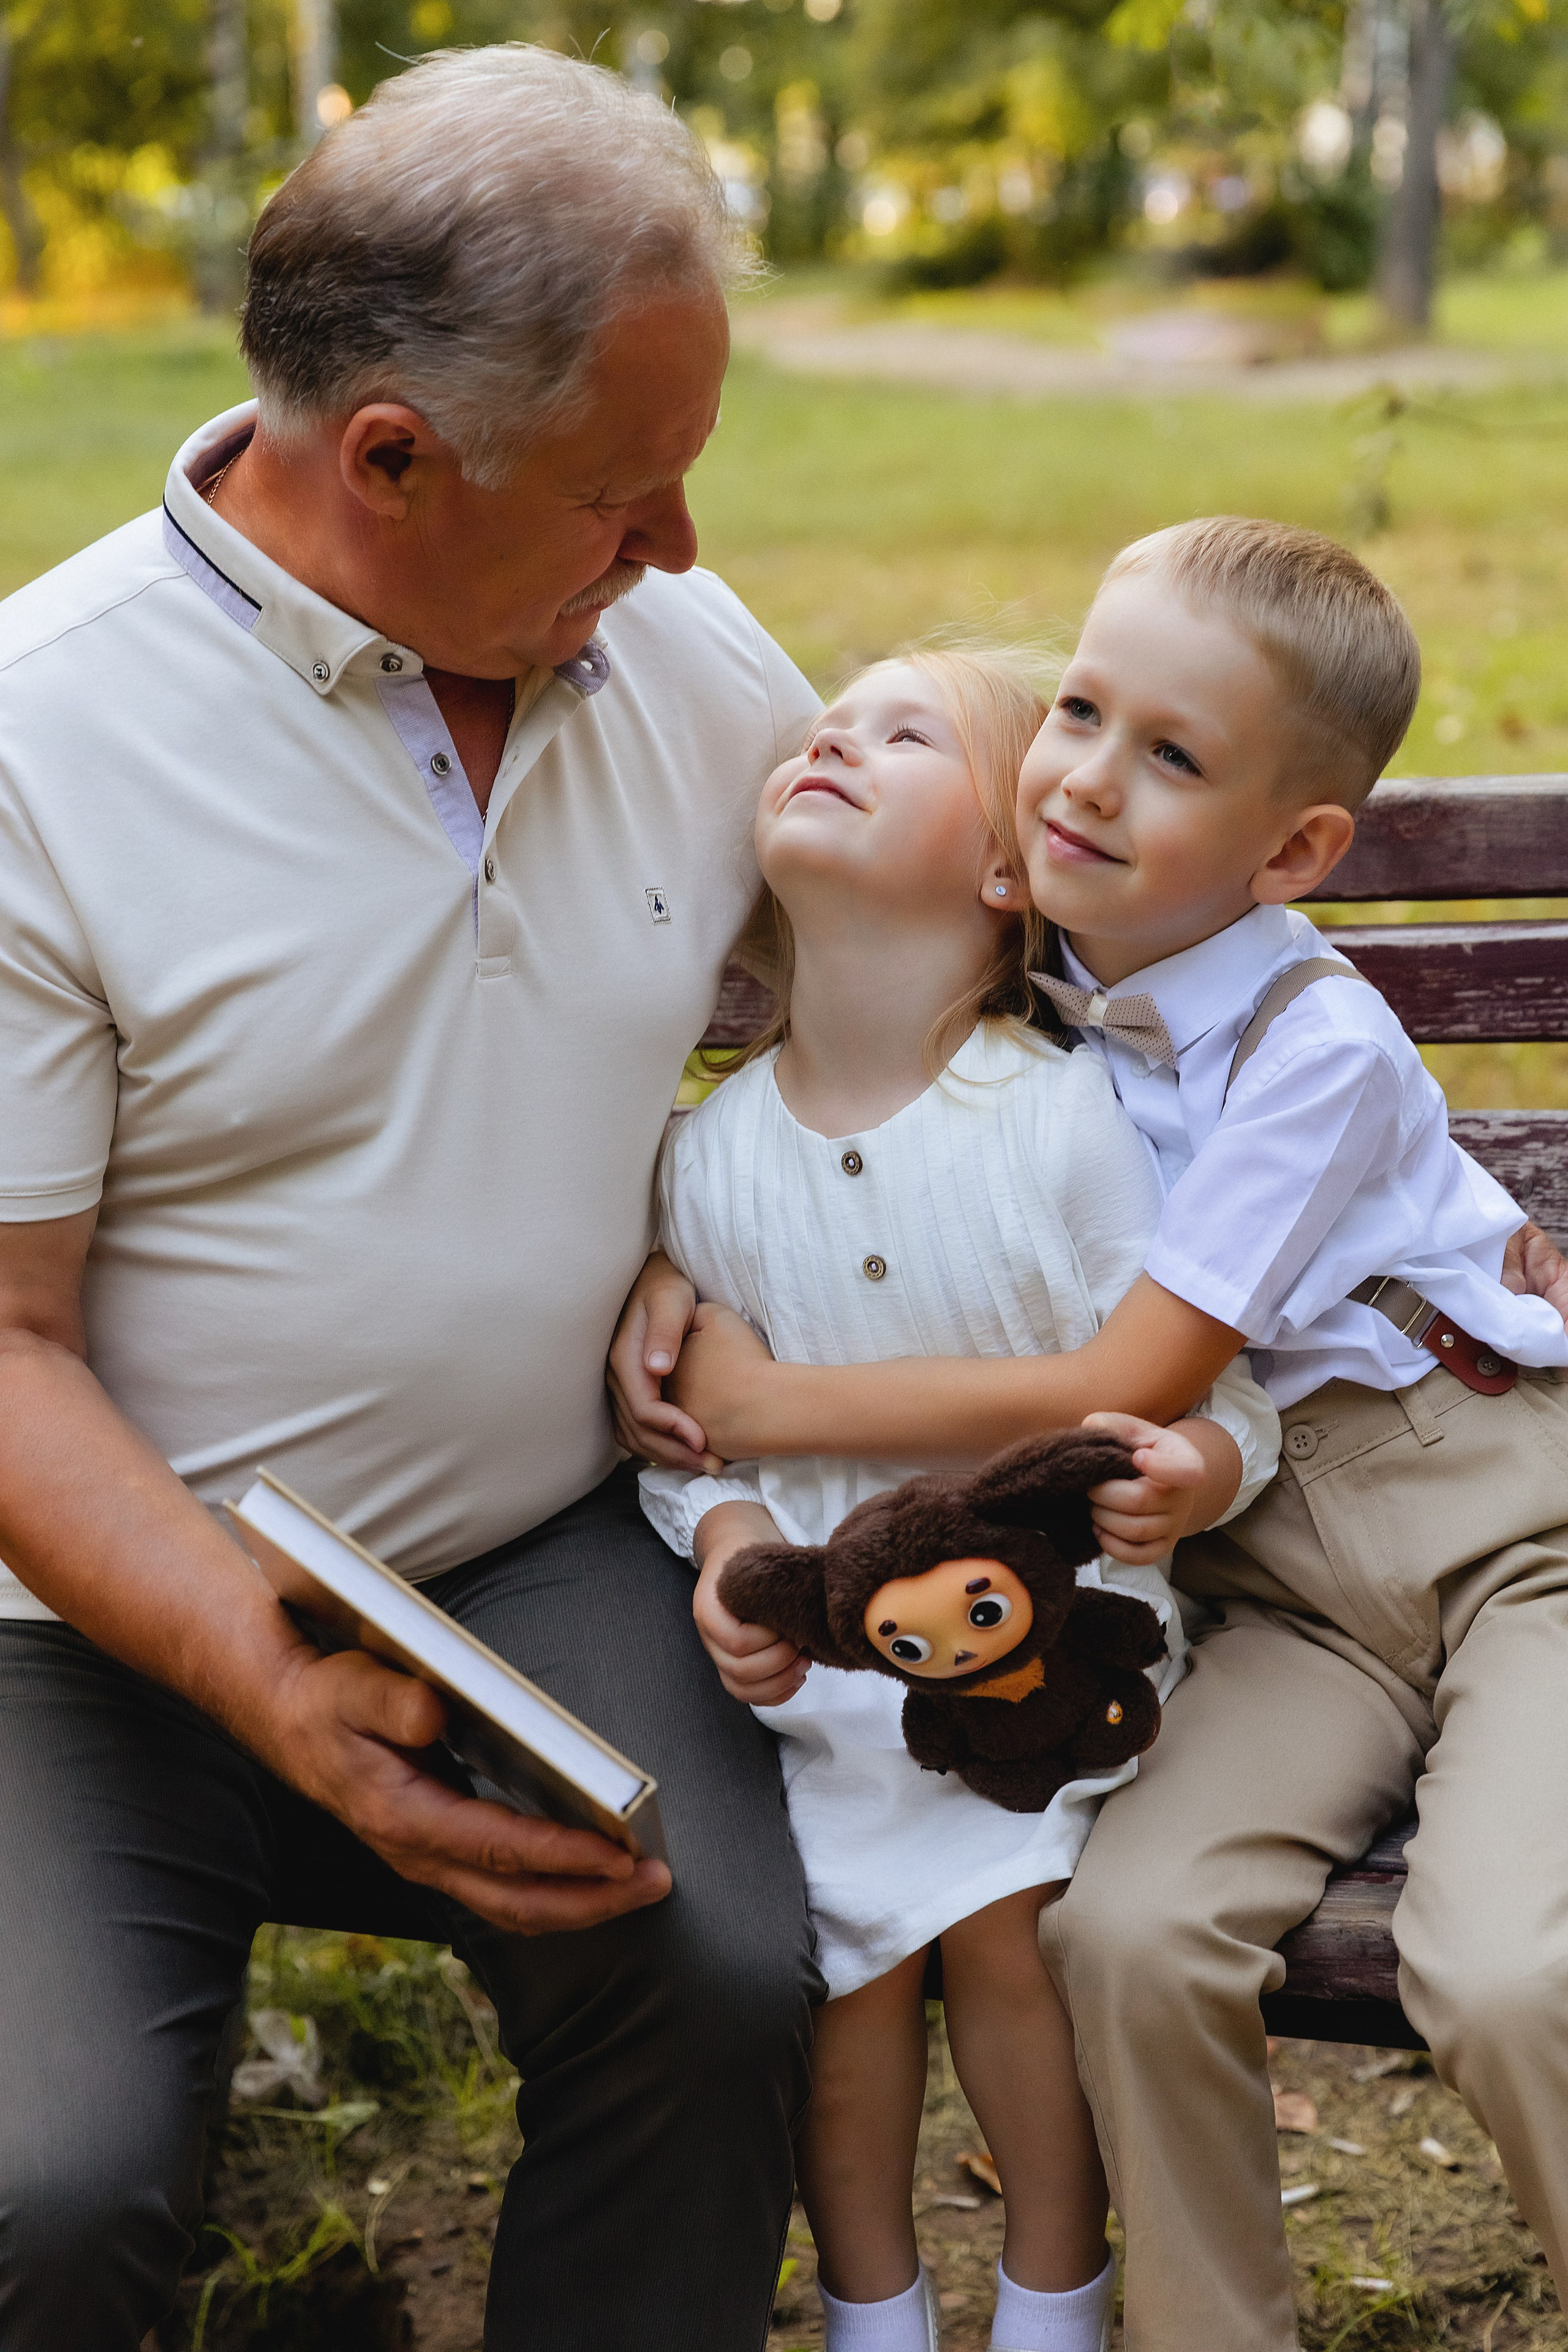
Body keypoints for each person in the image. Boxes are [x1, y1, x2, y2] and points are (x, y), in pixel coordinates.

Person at [0, 46, 826, 2351]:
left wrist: (712, 1228)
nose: (682, 549)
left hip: (531, 1551)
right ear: (387, 458)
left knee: (721, 1980)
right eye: (623, 493)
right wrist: (258, 1670)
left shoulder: (673, 657)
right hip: (66, 1623)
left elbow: (925, 988)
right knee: (43, 2188)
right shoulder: (38, 744)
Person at [625, 519, 1568, 2351]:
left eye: (1173, 756)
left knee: (1504, 1970)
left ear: (1290, 854)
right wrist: (676, 1261)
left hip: (1505, 1531)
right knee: (1127, 1937)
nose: (1087, 778)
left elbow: (1129, 1369)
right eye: (1076, 712)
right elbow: (866, 1124)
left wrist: (773, 1408)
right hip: (1274, 1588)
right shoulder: (1052, 990)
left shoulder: (1311, 1043)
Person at [633, 646, 1280, 2352]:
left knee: (1008, 1947)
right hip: (831, 1679)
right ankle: (877, 2316)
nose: (835, 738)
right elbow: (692, 1449)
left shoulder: (1054, 1123)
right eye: (824, 726)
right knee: (845, 1999)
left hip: (1045, 1665)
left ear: (1006, 869)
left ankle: (1053, 2304)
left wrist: (1197, 1476)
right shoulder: (710, 1160)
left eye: (903, 732)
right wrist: (731, 1545)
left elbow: (1203, 1384)